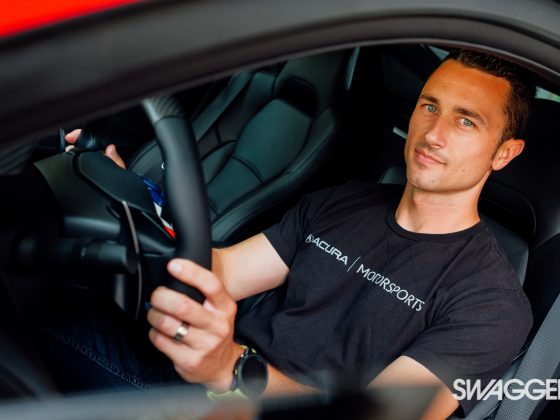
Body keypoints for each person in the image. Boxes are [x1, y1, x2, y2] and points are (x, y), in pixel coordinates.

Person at [57, 49, 535, 419]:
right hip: (205, 386)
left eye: (465, 121)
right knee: (46, 304)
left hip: (245, 393)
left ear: (505, 153)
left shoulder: (492, 303)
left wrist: (233, 369)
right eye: (430, 106)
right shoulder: (345, 202)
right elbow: (221, 271)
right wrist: (136, 202)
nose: (433, 133)